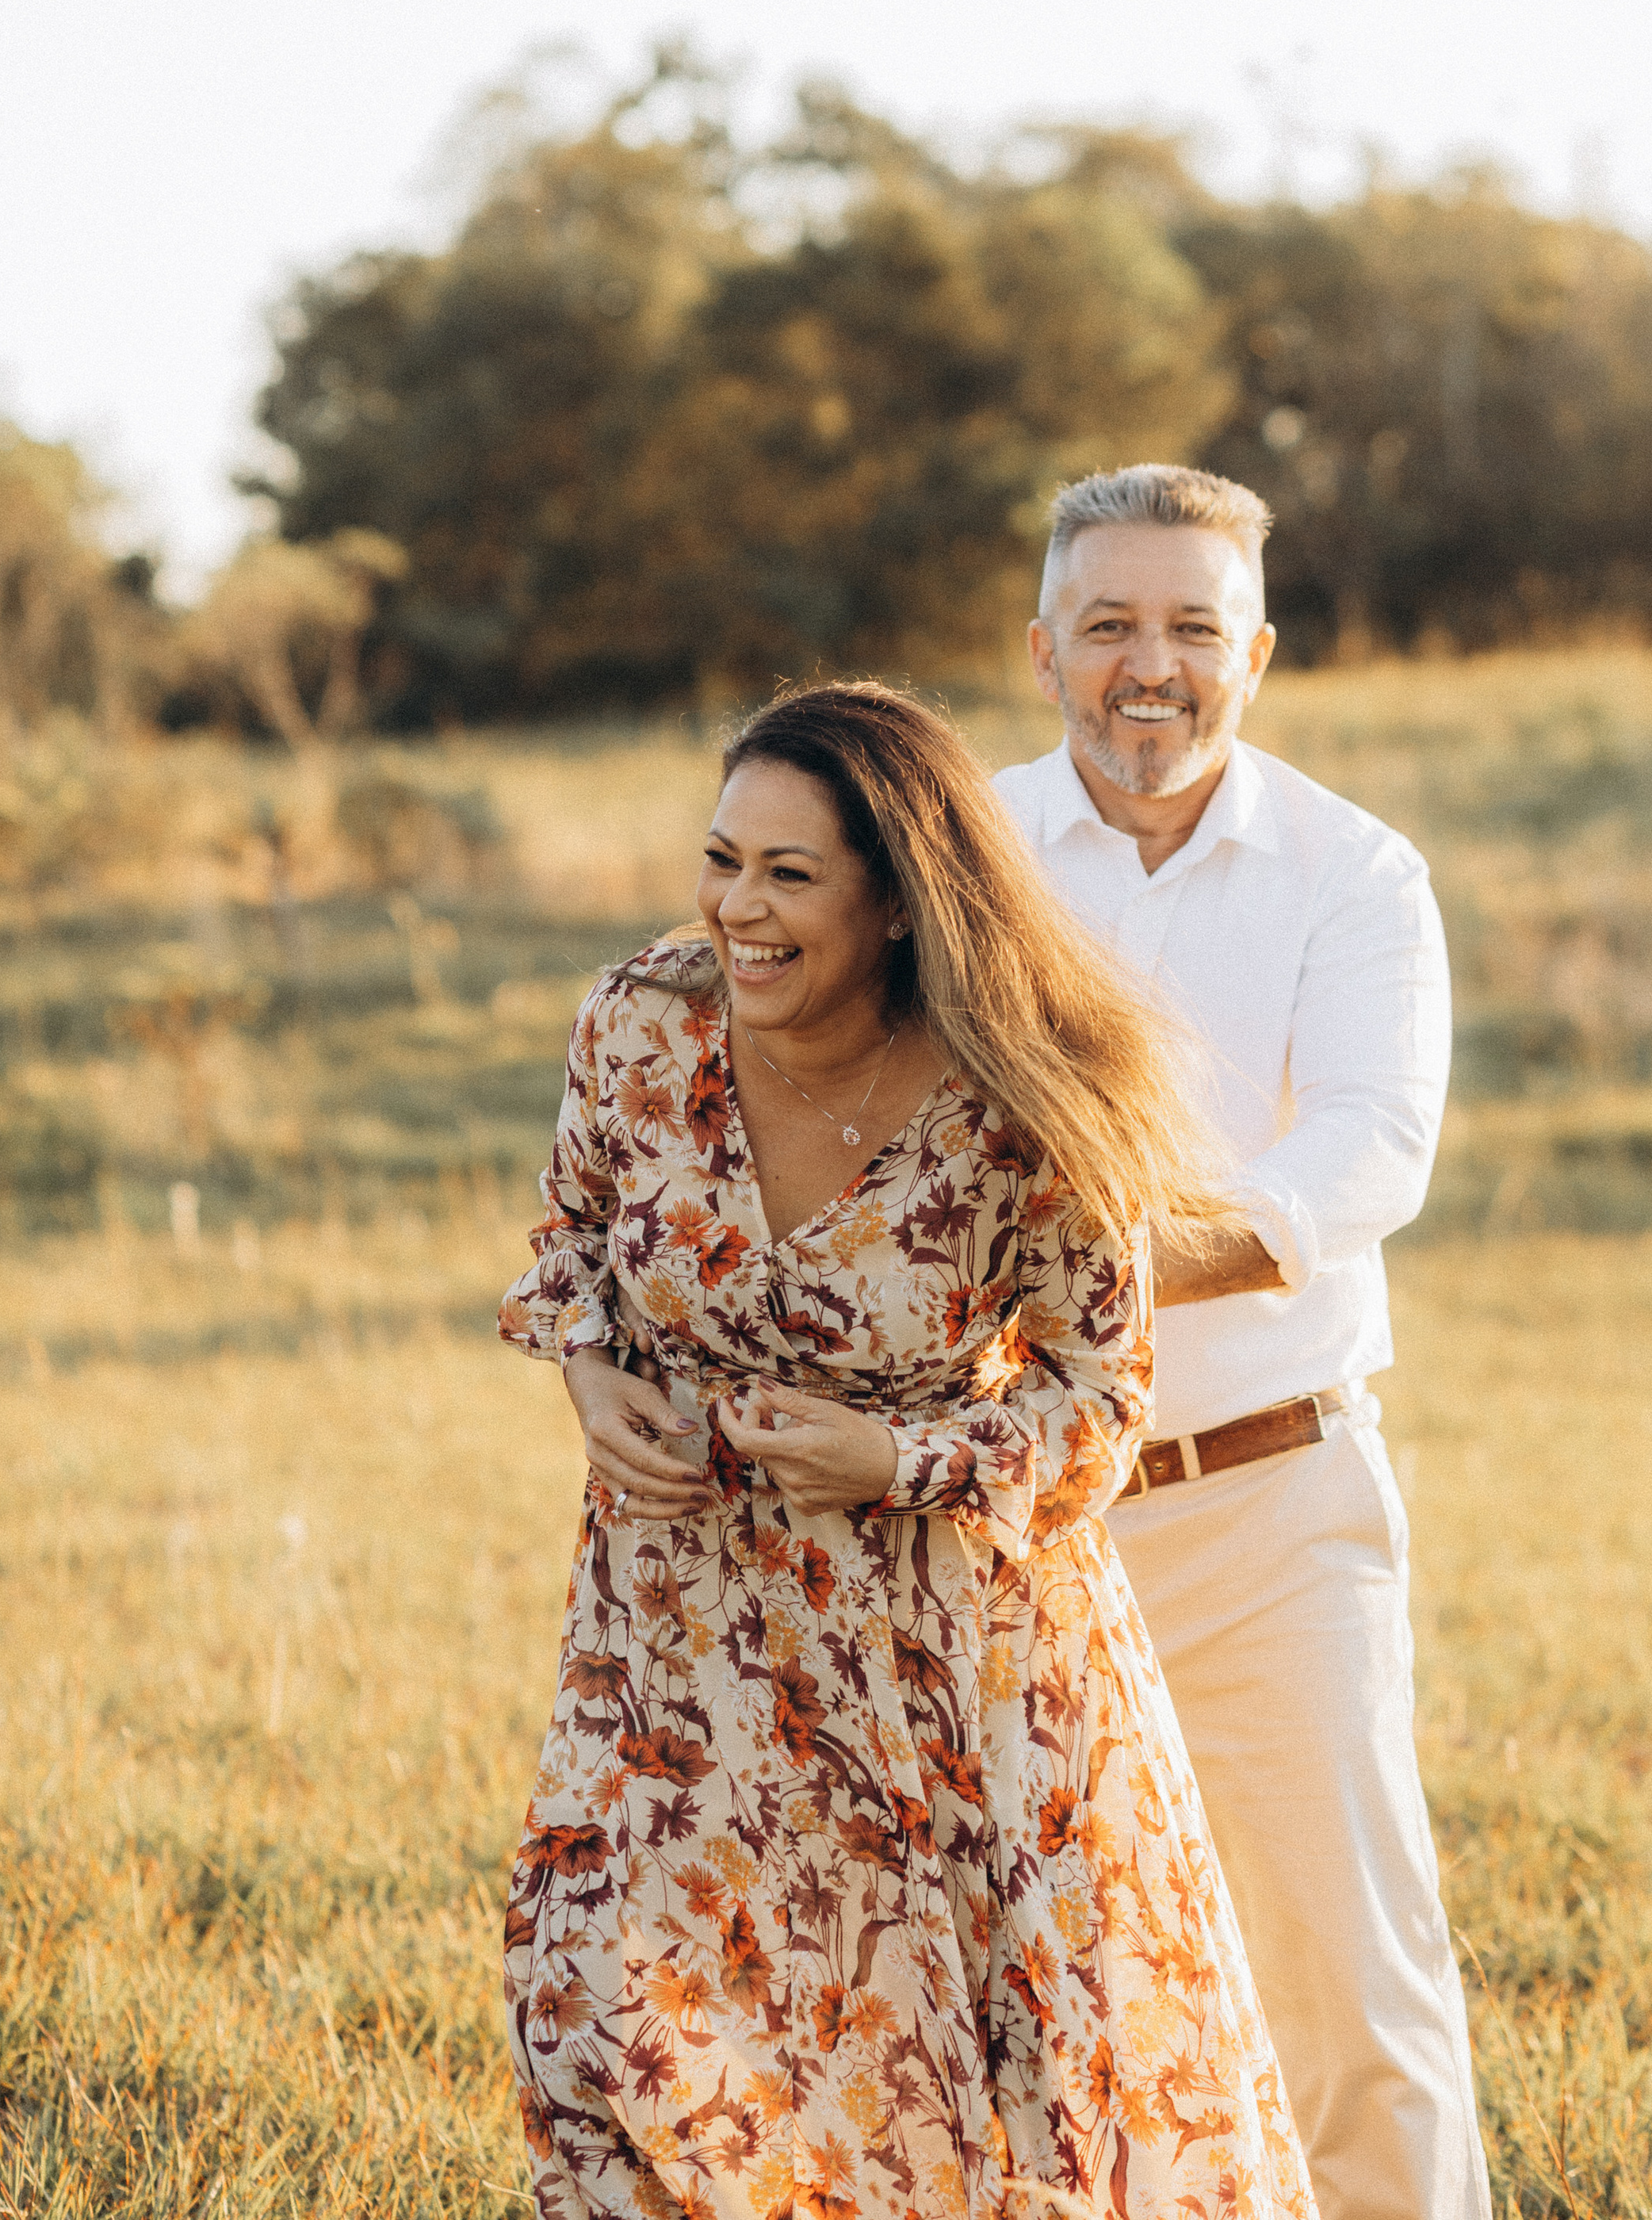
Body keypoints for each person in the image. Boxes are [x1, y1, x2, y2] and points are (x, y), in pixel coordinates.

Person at [499, 682, 1317, 2220]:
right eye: (721, 858)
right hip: (681, 1647)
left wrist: (898, 1462)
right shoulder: (639, 1024)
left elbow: (1096, 1394)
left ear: (894, 900)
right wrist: (589, 1375)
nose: (736, 908)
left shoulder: (1020, 1101)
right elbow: (576, 1241)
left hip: (957, 1670)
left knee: (991, 2105)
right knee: (604, 2028)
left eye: (788, 876)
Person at [992, 465, 1489, 2220]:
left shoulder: (1351, 873)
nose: (1150, 666)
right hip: (1007, 1530)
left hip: (1269, 1505)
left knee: (1344, 1980)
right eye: (1110, 624)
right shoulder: (952, 859)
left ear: (1253, 653)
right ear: (1041, 646)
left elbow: (1365, 1152)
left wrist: (1089, 1270)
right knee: (1045, 1993)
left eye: (1191, 628)